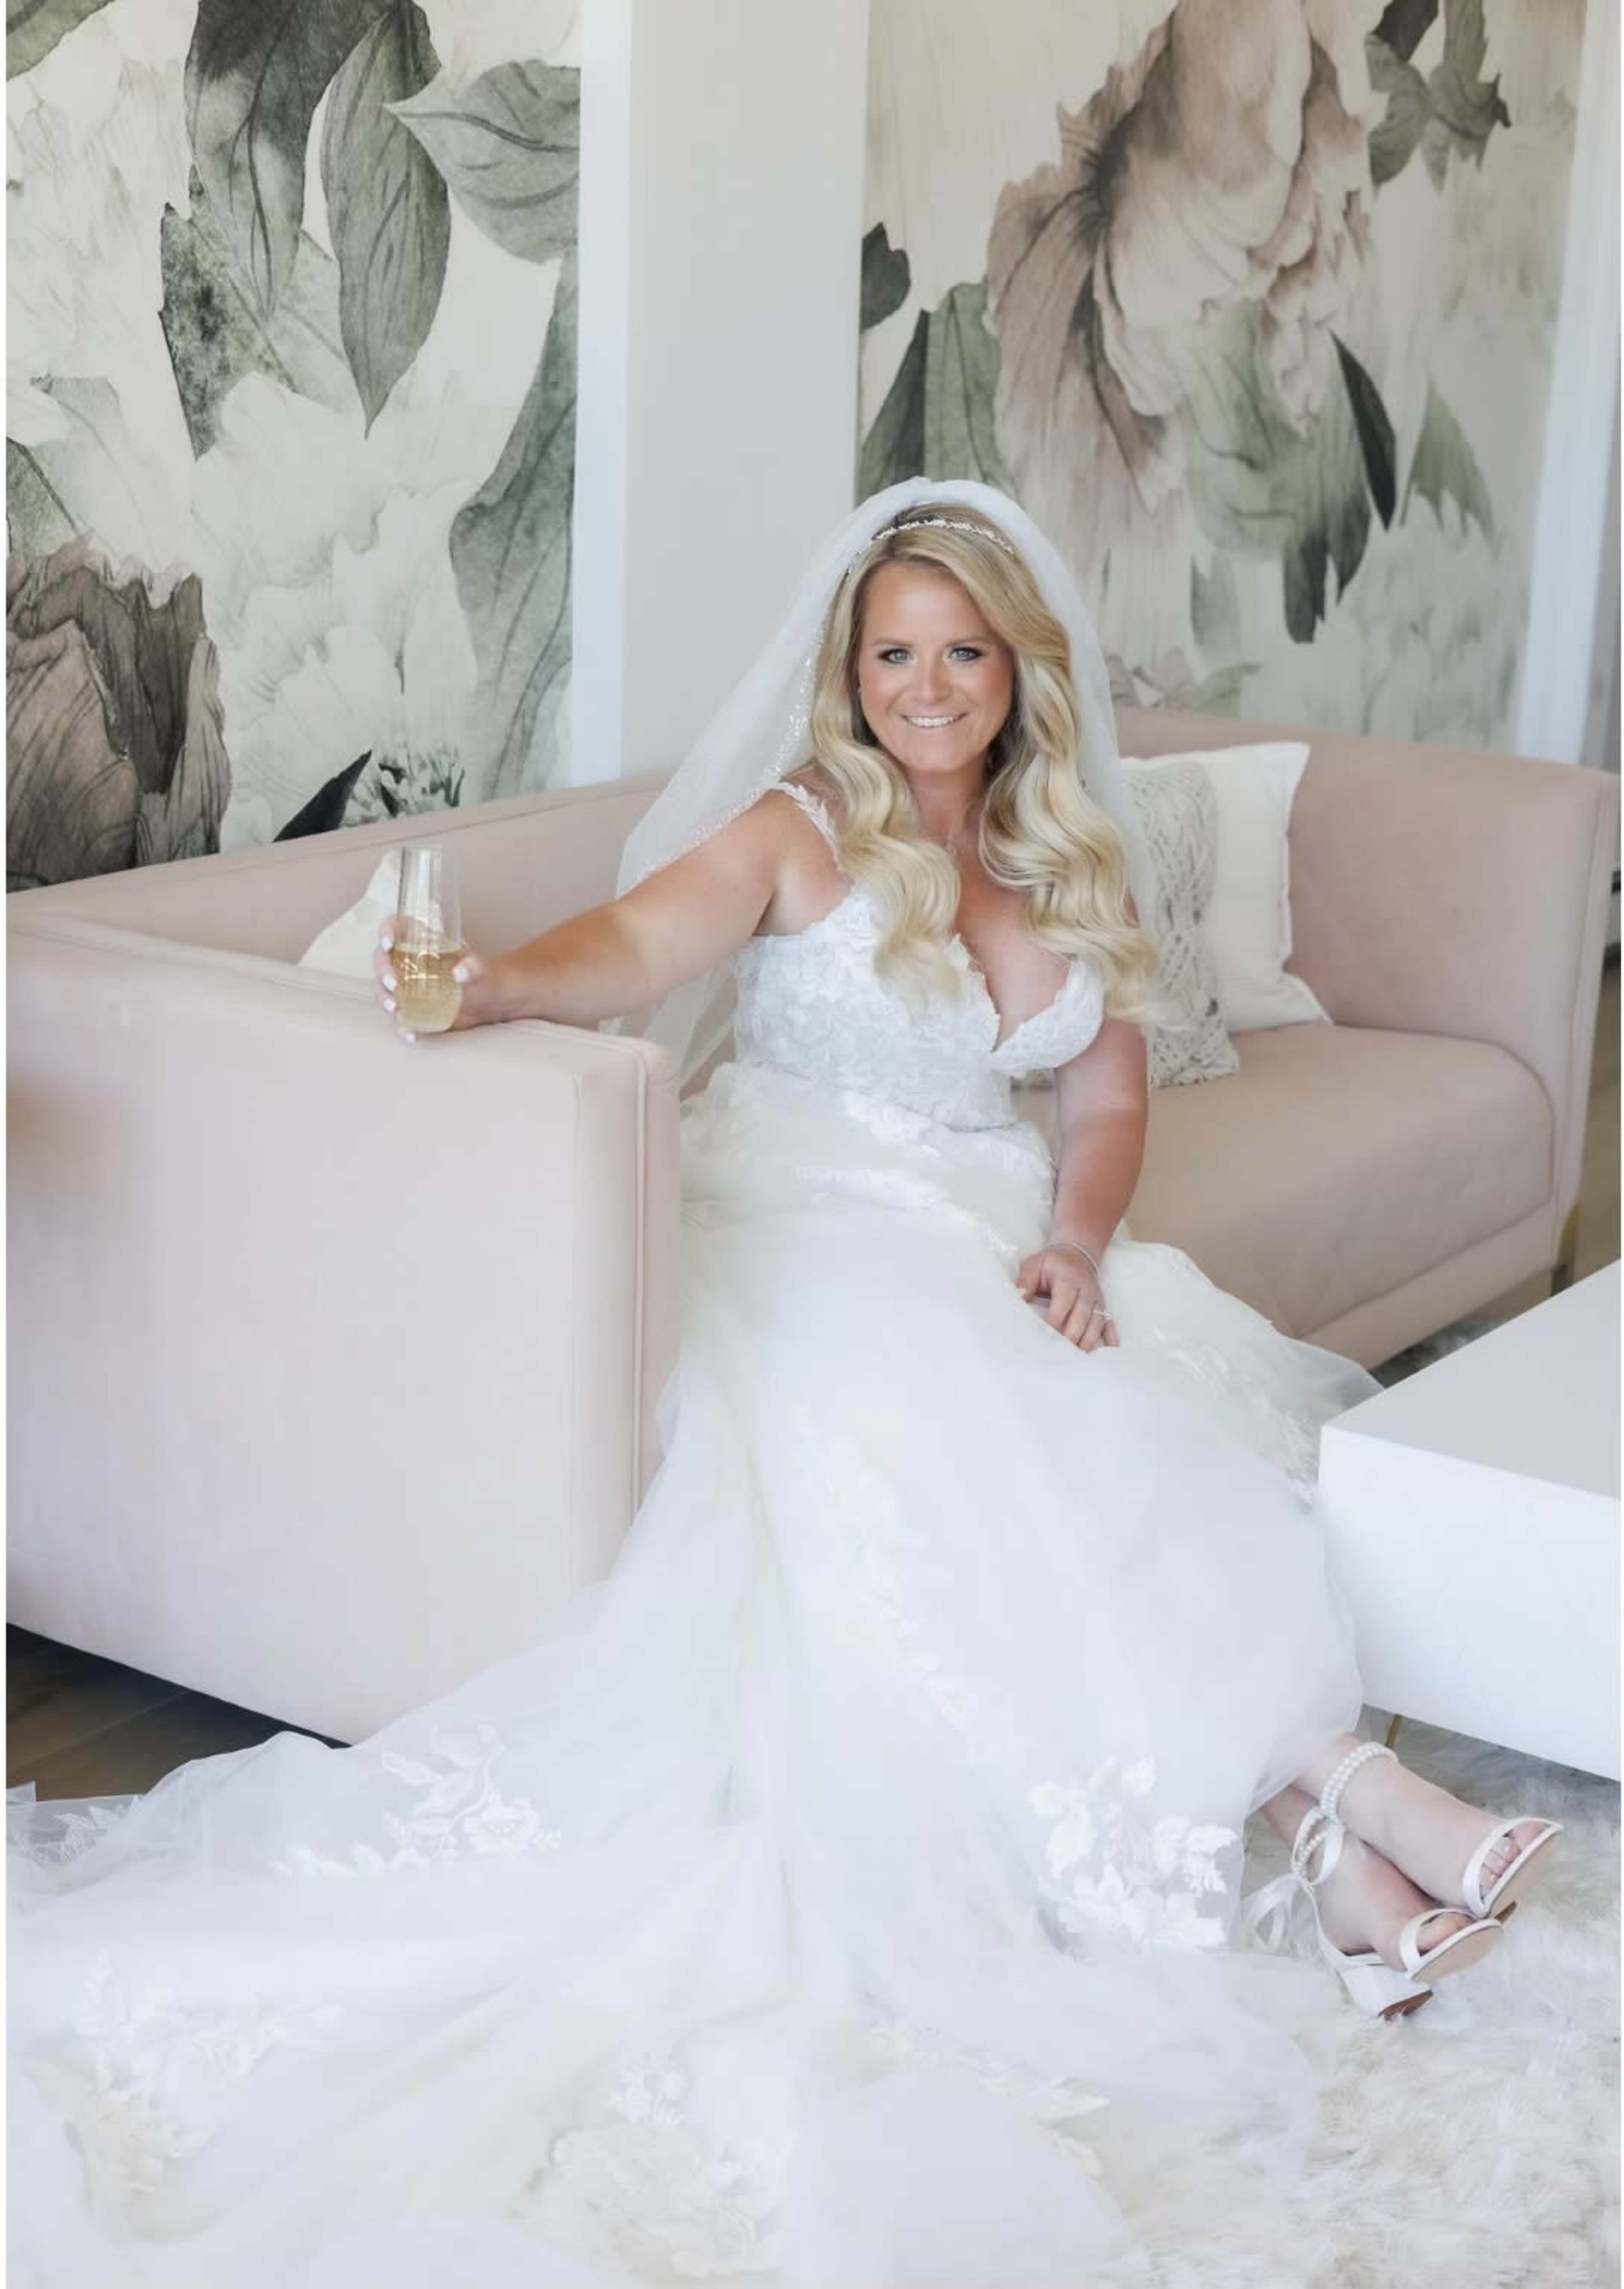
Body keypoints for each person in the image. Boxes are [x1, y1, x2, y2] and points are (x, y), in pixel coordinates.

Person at [9, 482, 1561, 2289]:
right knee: (1011, 1445)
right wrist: (492, 983)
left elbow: (1107, 1097)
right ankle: (1354, 1809)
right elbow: (636, 946)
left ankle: (1347, 1870)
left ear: (1016, 670)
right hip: (803, 1217)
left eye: (961, 653)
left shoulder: (1068, 855)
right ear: (852, 670)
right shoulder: (799, 830)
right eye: (893, 654)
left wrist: (1077, 1238)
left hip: (992, 1229)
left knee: (1144, 1425)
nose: (926, 687)